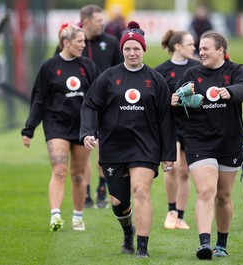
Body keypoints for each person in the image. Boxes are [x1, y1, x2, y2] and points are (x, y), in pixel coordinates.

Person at [80, 21, 176, 258]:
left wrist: (168, 155)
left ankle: (142, 247)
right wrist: (88, 131)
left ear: (144, 50)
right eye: (127, 49)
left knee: (141, 191)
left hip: (145, 146)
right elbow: (90, 104)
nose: (132, 53)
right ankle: (127, 232)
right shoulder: (109, 77)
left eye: (136, 49)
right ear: (122, 50)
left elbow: (166, 118)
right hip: (114, 146)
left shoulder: (155, 80)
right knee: (117, 202)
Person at [171, 31, 243, 260]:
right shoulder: (192, 72)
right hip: (199, 141)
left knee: (223, 195)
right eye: (200, 48)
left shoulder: (236, 70)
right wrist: (177, 99)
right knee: (206, 191)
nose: (201, 52)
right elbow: (177, 100)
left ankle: (221, 244)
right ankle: (204, 243)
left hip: (229, 142)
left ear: (220, 51)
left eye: (206, 48)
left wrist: (230, 92)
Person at [21, 23, 100, 231]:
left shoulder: (89, 67)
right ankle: (55, 216)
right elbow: (39, 99)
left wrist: (97, 128)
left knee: (78, 174)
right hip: (56, 126)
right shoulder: (49, 67)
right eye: (79, 41)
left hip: (83, 129)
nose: (84, 45)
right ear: (66, 42)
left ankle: (77, 217)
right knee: (59, 169)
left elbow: (98, 100)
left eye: (84, 41)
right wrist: (29, 128)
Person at [77, 4, 124, 209]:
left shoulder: (111, 42)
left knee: (101, 151)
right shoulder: (72, 41)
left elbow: (121, 72)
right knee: (84, 150)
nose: (102, 23)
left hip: (107, 105)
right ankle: (86, 192)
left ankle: (102, 188)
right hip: (80, 105)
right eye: (98, 20)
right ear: (87, 22)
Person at [154, 29, 201, 230]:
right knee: (172, 167)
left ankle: (180, 216)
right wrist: (170, 100)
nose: (194, 47)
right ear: (178, 46)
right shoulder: (160, 70)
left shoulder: (198, 67)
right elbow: (155, 100)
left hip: (191, 125)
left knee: (185, 172)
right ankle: (171, 211)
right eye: (190, 44)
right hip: (170, 124)